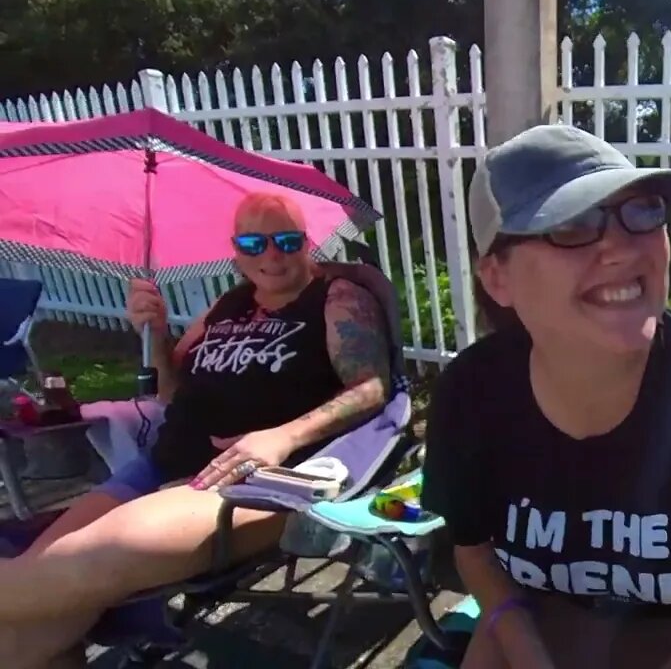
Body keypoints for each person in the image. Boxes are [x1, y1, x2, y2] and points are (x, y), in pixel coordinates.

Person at [422, 124, 671, 669]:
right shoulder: (471, 397)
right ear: (497, 276)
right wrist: (526, 649)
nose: (621, 246)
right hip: (539, 620)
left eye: (642, 211)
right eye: (571, 225)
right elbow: (474, 551)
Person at [0, 192, 392, 668]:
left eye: (287, 240)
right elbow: (169, 391)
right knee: (39, 586)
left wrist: (281, 436)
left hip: (241, 482)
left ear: (307, 244)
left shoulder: (336, 297)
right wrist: (157, 331)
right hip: (160, 463)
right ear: (236, 252)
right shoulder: (226, 305)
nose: (271, 254)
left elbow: (371, 388)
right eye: (254, 242)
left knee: (68, 570)